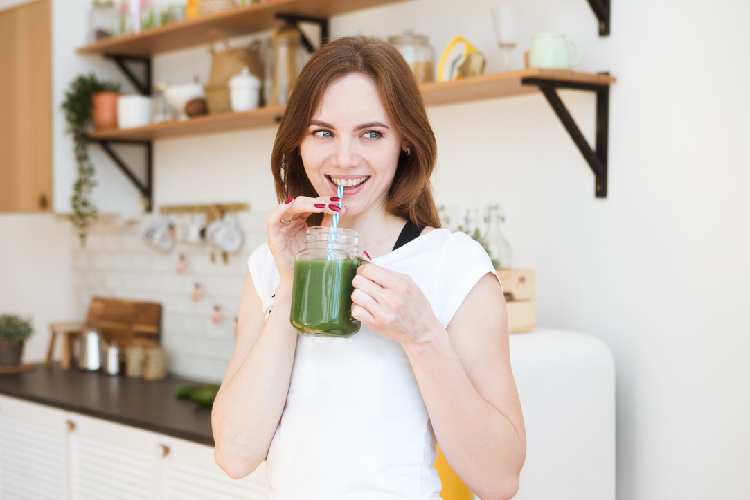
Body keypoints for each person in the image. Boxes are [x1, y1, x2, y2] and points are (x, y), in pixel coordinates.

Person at [212, 36, 526, 500]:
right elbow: (236, 453)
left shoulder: (454, 266)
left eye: (371, 133)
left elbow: (499, 480)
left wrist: (422, 336)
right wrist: (292, 281)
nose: (343, 159)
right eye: (323, 132)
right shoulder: (268, 266)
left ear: (404, 143)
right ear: (297, 142)